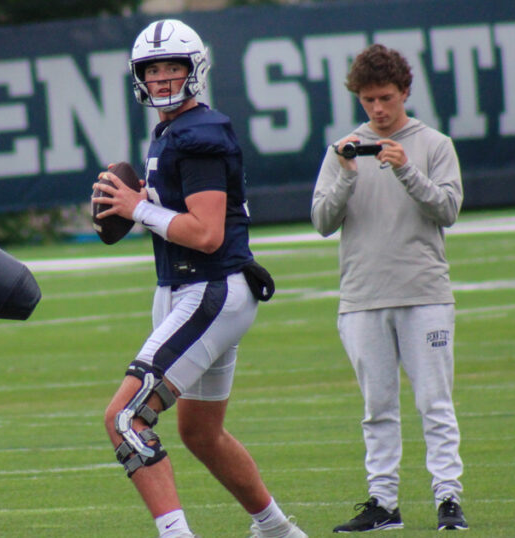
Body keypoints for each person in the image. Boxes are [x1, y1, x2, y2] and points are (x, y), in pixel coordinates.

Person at [91, 19, 305, 538]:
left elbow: (207, 233)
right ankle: (277, 529)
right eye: (153, 69)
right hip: (189, 291)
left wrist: (140, 208)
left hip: (208, 290)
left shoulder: (199, 133)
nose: (163, 79)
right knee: (201, 433)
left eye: (173, 67)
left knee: (124, 417)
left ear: (195, 69)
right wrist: (147, 201)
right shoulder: (174, 132)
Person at [310, 43, 469, 532]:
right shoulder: (344, 149)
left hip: (424, 293)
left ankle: (448, 500)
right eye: (367, 100)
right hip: (362, 297)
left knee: (434, 404)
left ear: (404, 92)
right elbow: (320, 220)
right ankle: (382, 504)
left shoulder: (433, 144)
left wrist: (405, 169)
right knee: (376, 408)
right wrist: (347, 174)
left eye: (385, 97)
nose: (377, 109)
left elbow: (447, 209)